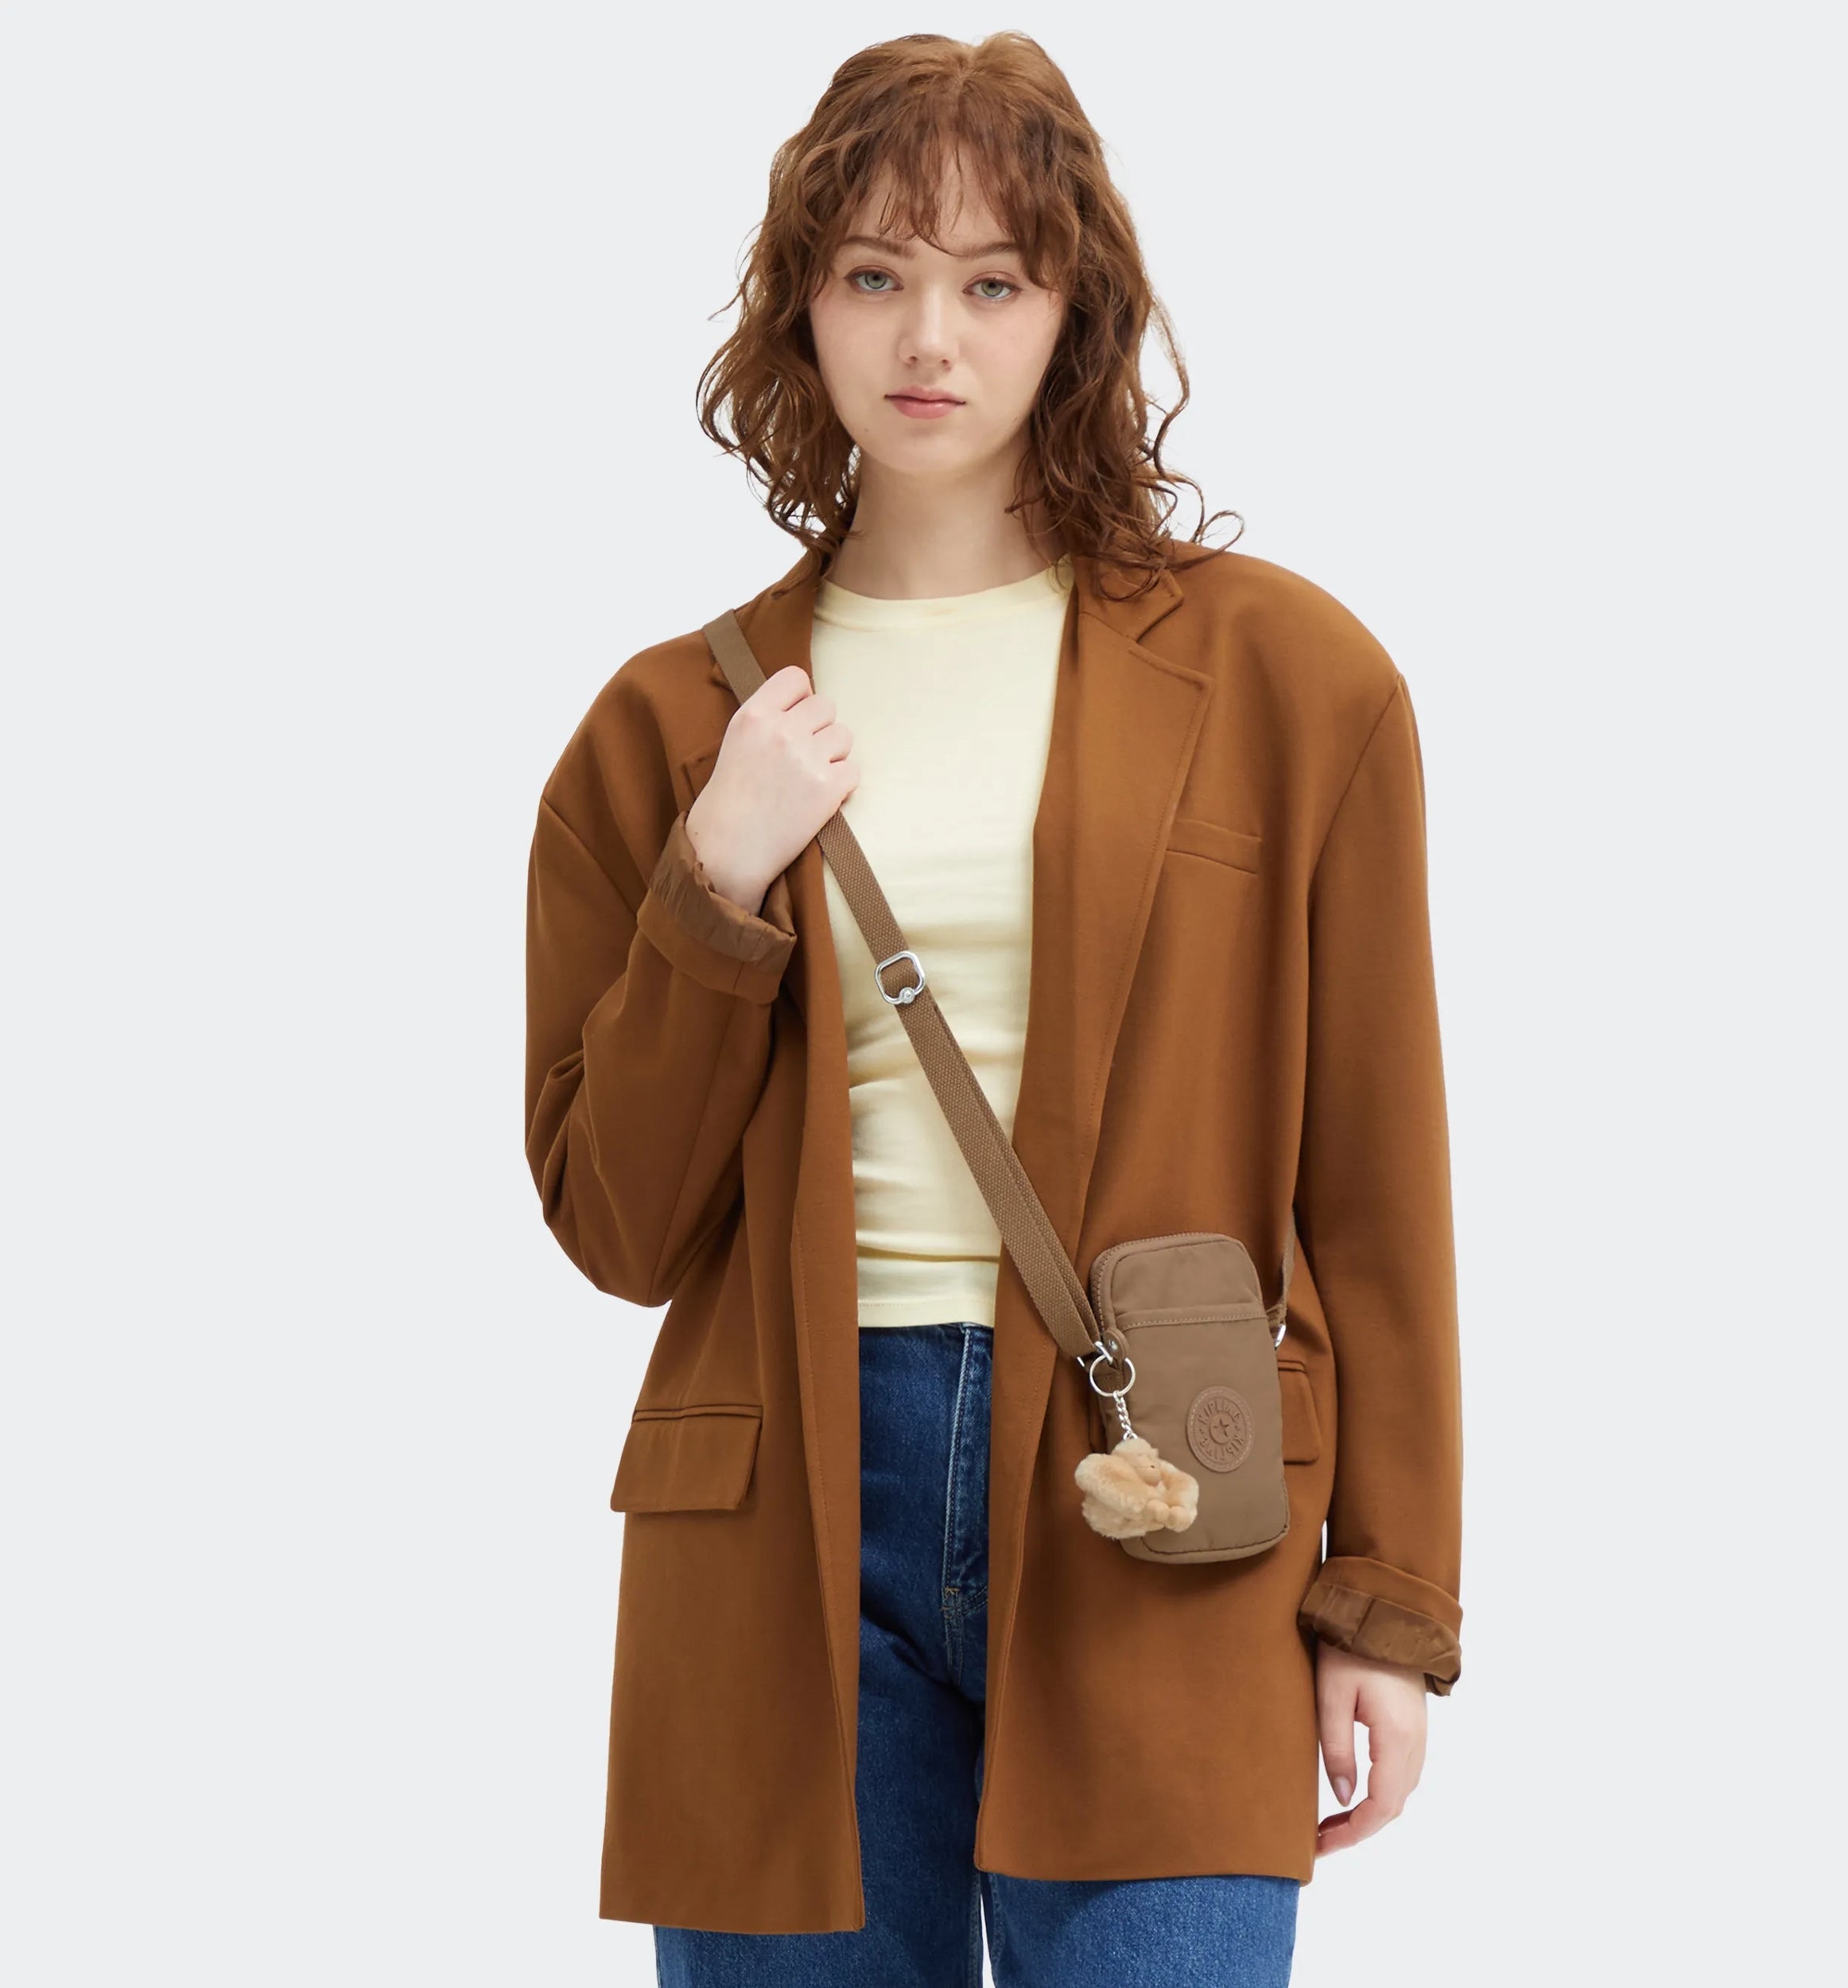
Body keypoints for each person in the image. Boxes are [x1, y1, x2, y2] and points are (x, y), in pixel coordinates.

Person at [522, 30, 1464, 1987]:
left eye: (990, 280)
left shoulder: (1290, 681)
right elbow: (615, 1223)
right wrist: (716, 878)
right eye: (873, 273)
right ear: (800, 307)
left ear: (1072, 313)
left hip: (1157, 1491)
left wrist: (1384, 1598)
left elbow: (1375, 1184)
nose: (926, 336)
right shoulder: (665, 725)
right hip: (785, 1509)